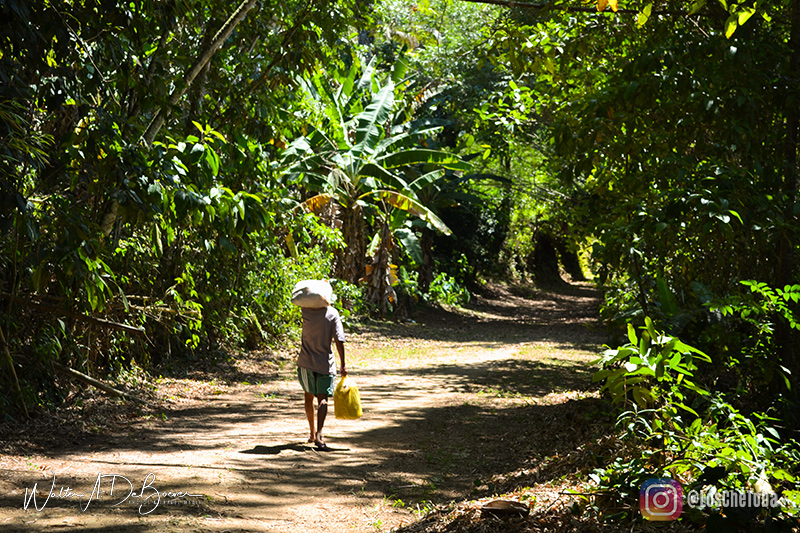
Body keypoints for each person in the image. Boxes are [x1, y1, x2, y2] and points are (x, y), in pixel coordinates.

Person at [296, 304, 347, 450]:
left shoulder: (306, 310)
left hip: (306, 363)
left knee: (308, 396)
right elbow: (339, 339)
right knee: (322, 398)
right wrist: (343, 364)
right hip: (325, 363)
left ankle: (311, 433)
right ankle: (319, 434)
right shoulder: (332, 313)